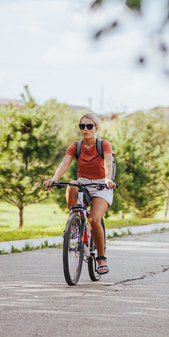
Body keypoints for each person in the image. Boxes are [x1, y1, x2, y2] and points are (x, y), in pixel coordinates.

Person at [44, 113, 116, 274]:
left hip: (102, 185)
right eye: (82, 126)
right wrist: (54, 178)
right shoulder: (76, 146)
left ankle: (101, 259)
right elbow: (64, 164)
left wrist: (107, 179)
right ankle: (74, 223)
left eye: (89, 126)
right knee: (71, 185)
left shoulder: (104, 144)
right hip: (83, 181)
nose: (85, 129)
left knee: (94, 219)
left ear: (96, 128)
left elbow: (108, 163)